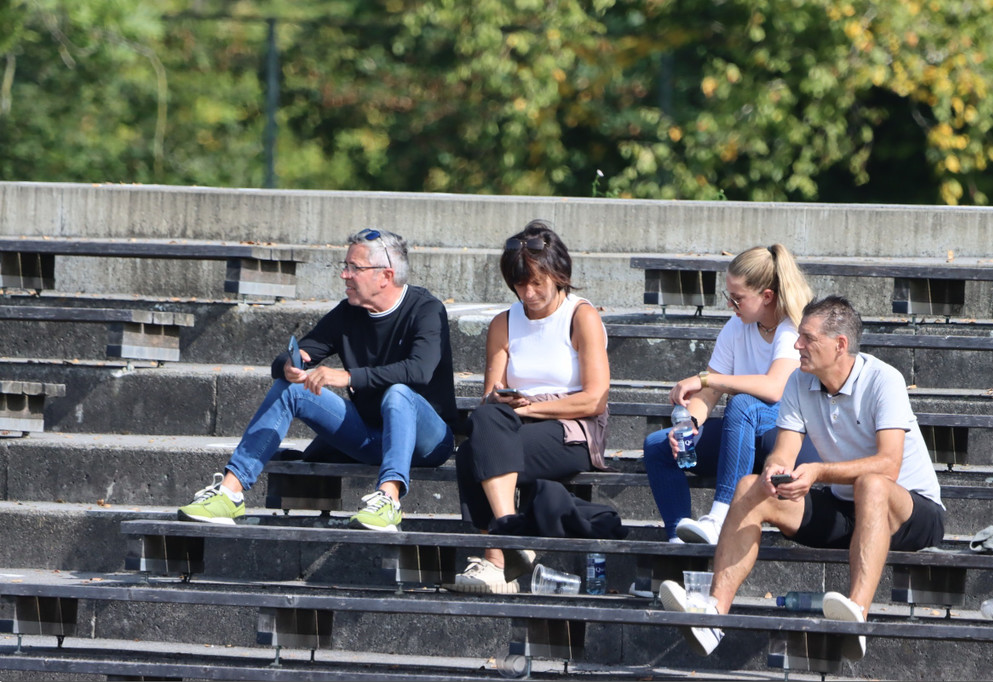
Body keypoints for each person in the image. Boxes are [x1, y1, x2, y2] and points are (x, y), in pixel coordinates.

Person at [659, 295, 945, 661]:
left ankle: (856, 616)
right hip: (848, 510)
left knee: (872, 483)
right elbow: (784, 451)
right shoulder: (798, 381)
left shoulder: (883, 379)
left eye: (807, 338)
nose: (797, 345)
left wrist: (819, 471)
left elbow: (888, 465)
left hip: (911, 512)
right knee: (749, 487)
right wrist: (775, 470)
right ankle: (714, 616)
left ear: (840, 344)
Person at [177, 228, 457, 530]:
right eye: (345, 266)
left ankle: (389, 501)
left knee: (398, 394)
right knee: (290, 388)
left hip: (427, 442)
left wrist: (349, 376)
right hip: (368, 438)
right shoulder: (348, 312)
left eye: (354, 268)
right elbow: (293, 356)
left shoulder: (426, 310)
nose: (344, 275)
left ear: (385, 276)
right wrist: (290, 365)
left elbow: (419, 370)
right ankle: (229, 494)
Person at [446, 219, 611, 594]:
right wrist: (503, 401)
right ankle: (510, 534)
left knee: (474, 452)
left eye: (537, 283)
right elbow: (490, 395)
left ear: (558, 274)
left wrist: (528, 410)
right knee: (482, 426)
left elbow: (595, 398)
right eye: (520, 284)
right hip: (512, 423)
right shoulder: (503, 323)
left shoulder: (580, 316)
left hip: (572, 427)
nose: (529, 293)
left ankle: (497, 556)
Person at [644, 244, 815, 545]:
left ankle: (721, 517)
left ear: (767, 296)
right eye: (729, 295)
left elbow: (774, 388)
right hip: (742, 436)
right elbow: (709, 394)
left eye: (738, 298)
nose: (730, 305)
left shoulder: (793, 328)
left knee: (744, 404)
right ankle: (679, 539)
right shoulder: (737, 326)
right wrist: (689, 424)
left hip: (789, 439)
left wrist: (705, 378)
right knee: (658, 445)